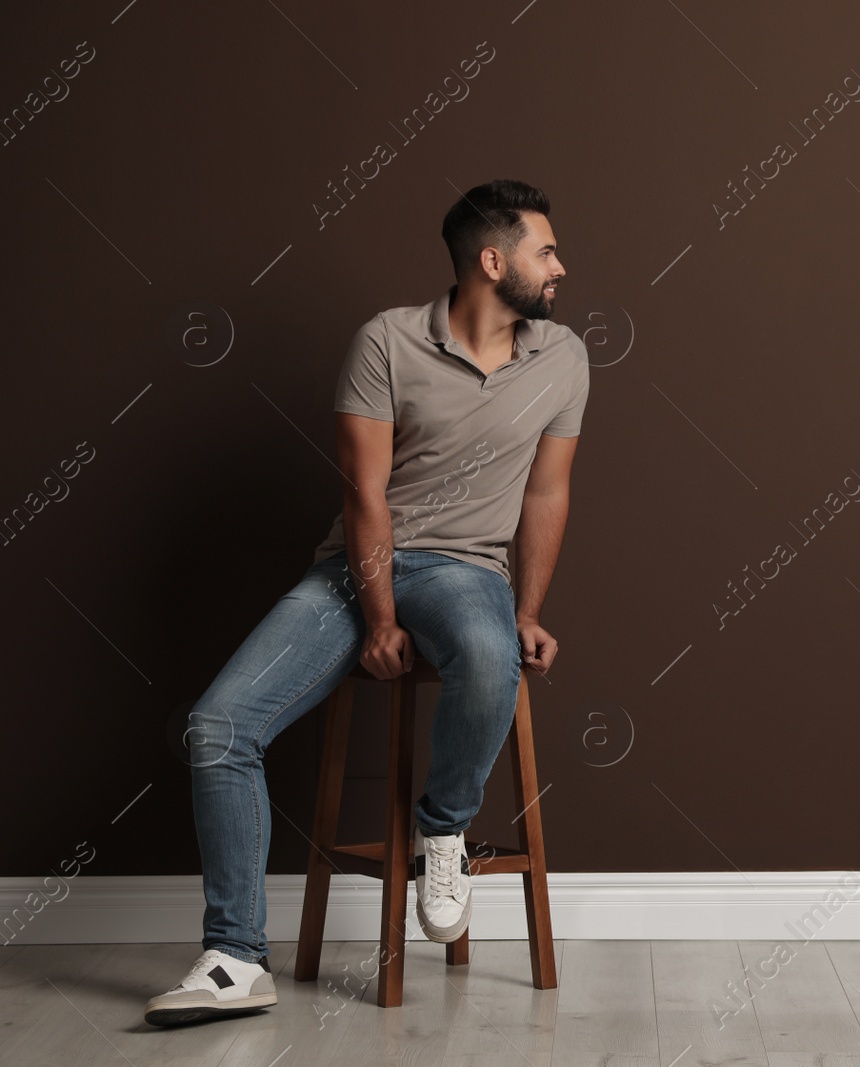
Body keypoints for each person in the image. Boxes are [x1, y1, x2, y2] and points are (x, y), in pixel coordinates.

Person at [144, 179, 588, 1026]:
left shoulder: (562, 357)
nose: (560, 267)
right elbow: (367, 497)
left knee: (493, 655)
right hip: (359, 567)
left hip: (465, 569)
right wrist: (379, 619)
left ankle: (443, 830)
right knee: (217, 728)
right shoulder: (386, 341)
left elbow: (546, 495)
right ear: (492, 263)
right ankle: (237, 957)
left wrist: (526, 609)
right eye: (545, 251)